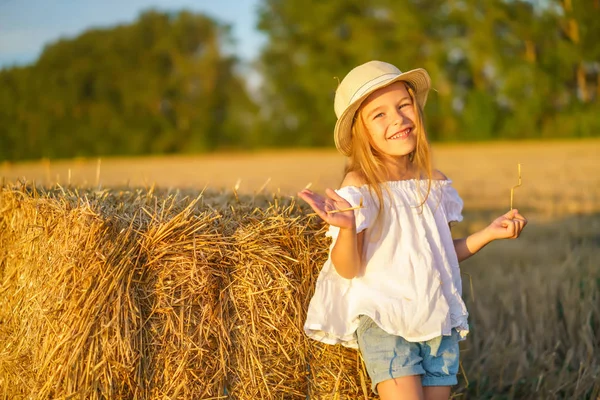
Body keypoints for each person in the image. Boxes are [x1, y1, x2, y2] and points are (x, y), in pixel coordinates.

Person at [298, 60, 527, 400]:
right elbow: (347, 268)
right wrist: (346, 229)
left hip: (437, 317)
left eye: (403, 105)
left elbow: (441, 253)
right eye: (379, 115)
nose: (398, 119)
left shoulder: (433, 182)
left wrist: (489, 233)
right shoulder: (360, 186)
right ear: (361, 132)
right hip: (385, 319)